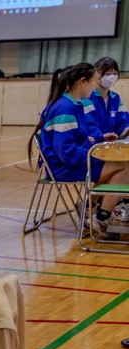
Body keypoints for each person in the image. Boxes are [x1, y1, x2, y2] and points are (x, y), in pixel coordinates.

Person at [30, 62, 129, 233]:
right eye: (94, 81)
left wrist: (92, 143)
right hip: (63, 168)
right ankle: (100, 218)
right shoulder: (65, 108)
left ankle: (90, 209)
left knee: (119, 165)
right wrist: (96, 154)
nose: (95, 85)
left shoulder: (72, 104)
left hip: (69, 163)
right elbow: (66, 152)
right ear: (83, 82)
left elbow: (76, 141)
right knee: (125, 167)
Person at [90, 56, 128, 139]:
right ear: (96, 74)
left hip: (107, 148)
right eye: (108, 74)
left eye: (115, 73)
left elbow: (124, 125)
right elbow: (88, 125)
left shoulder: (115, 98)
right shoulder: (87, 97)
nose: (112, 77)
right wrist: (101, 138)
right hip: (89, 148)